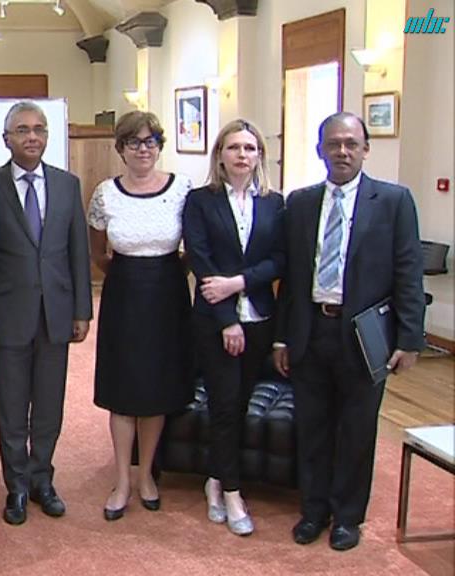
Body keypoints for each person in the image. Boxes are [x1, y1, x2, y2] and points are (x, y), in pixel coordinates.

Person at [274, 112, 424, 551]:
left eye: (351, 144)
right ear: (321, 149)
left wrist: (409, 339)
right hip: (311, 330)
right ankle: (313, 510)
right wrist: (283, 336)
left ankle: (347, 517)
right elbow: (290, 278)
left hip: (364, 335)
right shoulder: (300, 203)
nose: (342, 151)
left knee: (357, 430)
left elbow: (408, 272)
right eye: (334, 143)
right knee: (313, 428)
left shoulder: (394, 201)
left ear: (365, 149)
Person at [0, 101, 92, 525]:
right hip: (6, 313)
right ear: (6, 139)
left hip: (56, 313)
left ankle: (43, 478)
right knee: (11, 408)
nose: (32, 137)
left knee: (49, 406)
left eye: (39, 129)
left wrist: (82, 309)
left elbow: (78, 251)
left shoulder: (67, 184)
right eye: (22, 130)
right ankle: (18, 486)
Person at [86, 110, 192, 521]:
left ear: (159, 146)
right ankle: (122, 480)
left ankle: (146, 474)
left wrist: (164, 274)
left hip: (167, 295)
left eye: (150, 142)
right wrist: (128, 274)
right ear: (121, 149)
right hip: (123, 295)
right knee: (123, 389)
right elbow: (98, 253)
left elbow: (191, 249)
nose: (143, 149)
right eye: (134, 142)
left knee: (156, 389)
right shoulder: (105, 193)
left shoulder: (182, 189)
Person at [182, 119, 285, 536]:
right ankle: (232, 492)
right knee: (224, 403)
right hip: (214, 321)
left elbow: (279, 259)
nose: (243, 155)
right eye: (234, 147)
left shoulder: (274, 203)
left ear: (259, 156)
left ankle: (214, 478)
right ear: (220, 155)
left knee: (240, 404)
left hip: (259, 318)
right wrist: (228, 320)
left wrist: (239, 283)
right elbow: (201, 258)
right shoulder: (200, 201)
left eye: (250, 148)